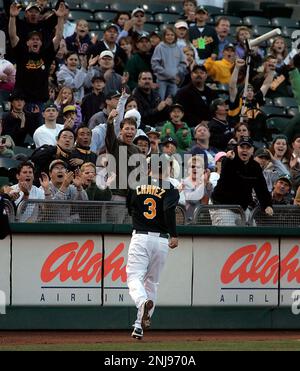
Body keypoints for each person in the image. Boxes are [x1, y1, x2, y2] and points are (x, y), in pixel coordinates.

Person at [126, 153, 179, 340]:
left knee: (134, 278)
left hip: (140, 236)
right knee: (152, 283)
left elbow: (129, 206)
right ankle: (138, 326)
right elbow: (168, 210)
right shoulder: (171, 187)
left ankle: (142, 303)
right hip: (162, 240)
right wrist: (174, 234)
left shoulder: (135, 183)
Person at [8, 2, 65, 110]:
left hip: (41, 102)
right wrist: (12, 17)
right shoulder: (21, 53)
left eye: (38, 39)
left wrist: (60, 18)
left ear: (41, 43)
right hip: (22, 102)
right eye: (33, 39)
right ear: (27, 43)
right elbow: (12, 36)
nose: (35, 41)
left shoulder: (46, 55)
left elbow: (58, 37)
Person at [211, 136, 273, 225]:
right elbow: (226, 175)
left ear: (252, 151)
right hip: (222, 206)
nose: (245, 150)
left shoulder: (255, 167)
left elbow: (261, 188)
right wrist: (230, 159)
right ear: (237, 148)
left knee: (252, 233)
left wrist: (267, 205)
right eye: (242, 147)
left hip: (241, 208)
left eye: (248, 148)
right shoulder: (228, 161)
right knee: (227, 235)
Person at [151, 26, 187, 100]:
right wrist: (166, 73)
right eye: (167, 35)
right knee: (160, 100)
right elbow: (155, 64)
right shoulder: (159, 47)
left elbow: (183, 64)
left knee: (172, 101)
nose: (170, 37)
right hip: (161, 80)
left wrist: (177, 72)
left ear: (175, 36)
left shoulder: (178, 48)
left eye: (172, 35)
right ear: (164, 36)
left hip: (174, 81)